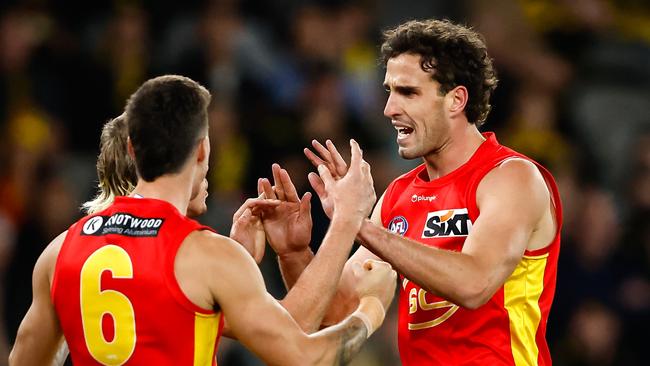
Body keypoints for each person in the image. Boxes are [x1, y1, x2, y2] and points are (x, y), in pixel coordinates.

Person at [9, 75, 396, 365]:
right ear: (201, 151)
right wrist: (371, 307)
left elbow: (23, 360)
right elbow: (303, 354)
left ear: (132, 147)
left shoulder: (59, 251)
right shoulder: (203, 255)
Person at [275, 19, 563, 365]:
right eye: (389, 91)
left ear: (456, 99)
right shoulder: (399, 194)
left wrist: (358, 224)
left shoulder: (512, 178)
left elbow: (474, 283)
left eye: (408, 92)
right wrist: (293, 253)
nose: (389, 109)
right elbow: (334, 314)